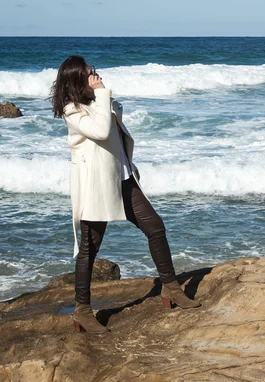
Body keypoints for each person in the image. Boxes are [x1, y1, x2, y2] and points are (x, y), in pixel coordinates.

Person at [50, 55, 200, 334]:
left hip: (123, 180)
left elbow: (114, 126)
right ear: (76, 79)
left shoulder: (96, 103)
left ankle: (170, 288)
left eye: (93, 71)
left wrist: (101, 97)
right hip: (96, 185)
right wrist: (102, 93)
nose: (94, 75)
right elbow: (101, 129)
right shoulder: (73, 110)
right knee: (89, 249)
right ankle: (82, 311)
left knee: (155, 227)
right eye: (88, 73)